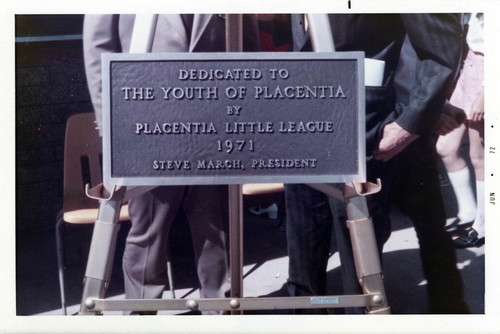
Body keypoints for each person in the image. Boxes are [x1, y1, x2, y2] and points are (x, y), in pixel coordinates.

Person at [285, 14, 470, 313]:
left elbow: (439, 48)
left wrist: (410, 123)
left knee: (360, 257)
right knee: (304, 239)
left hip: (365, 123)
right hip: (300, 120)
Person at [82, 14, 246, 315]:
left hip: (215, 126)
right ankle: (142, 313)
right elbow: (98, 46)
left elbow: (246, 41)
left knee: (216, 227)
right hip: (146, 124)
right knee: (148, 233)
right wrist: (112, 124)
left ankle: (221, 313)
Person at [435, 13, 485, 248]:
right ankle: (468, 212)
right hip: (469, 67)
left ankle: (483, 225)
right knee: (445, 146)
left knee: (480, 158)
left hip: (487, 75)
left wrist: (485, 96)